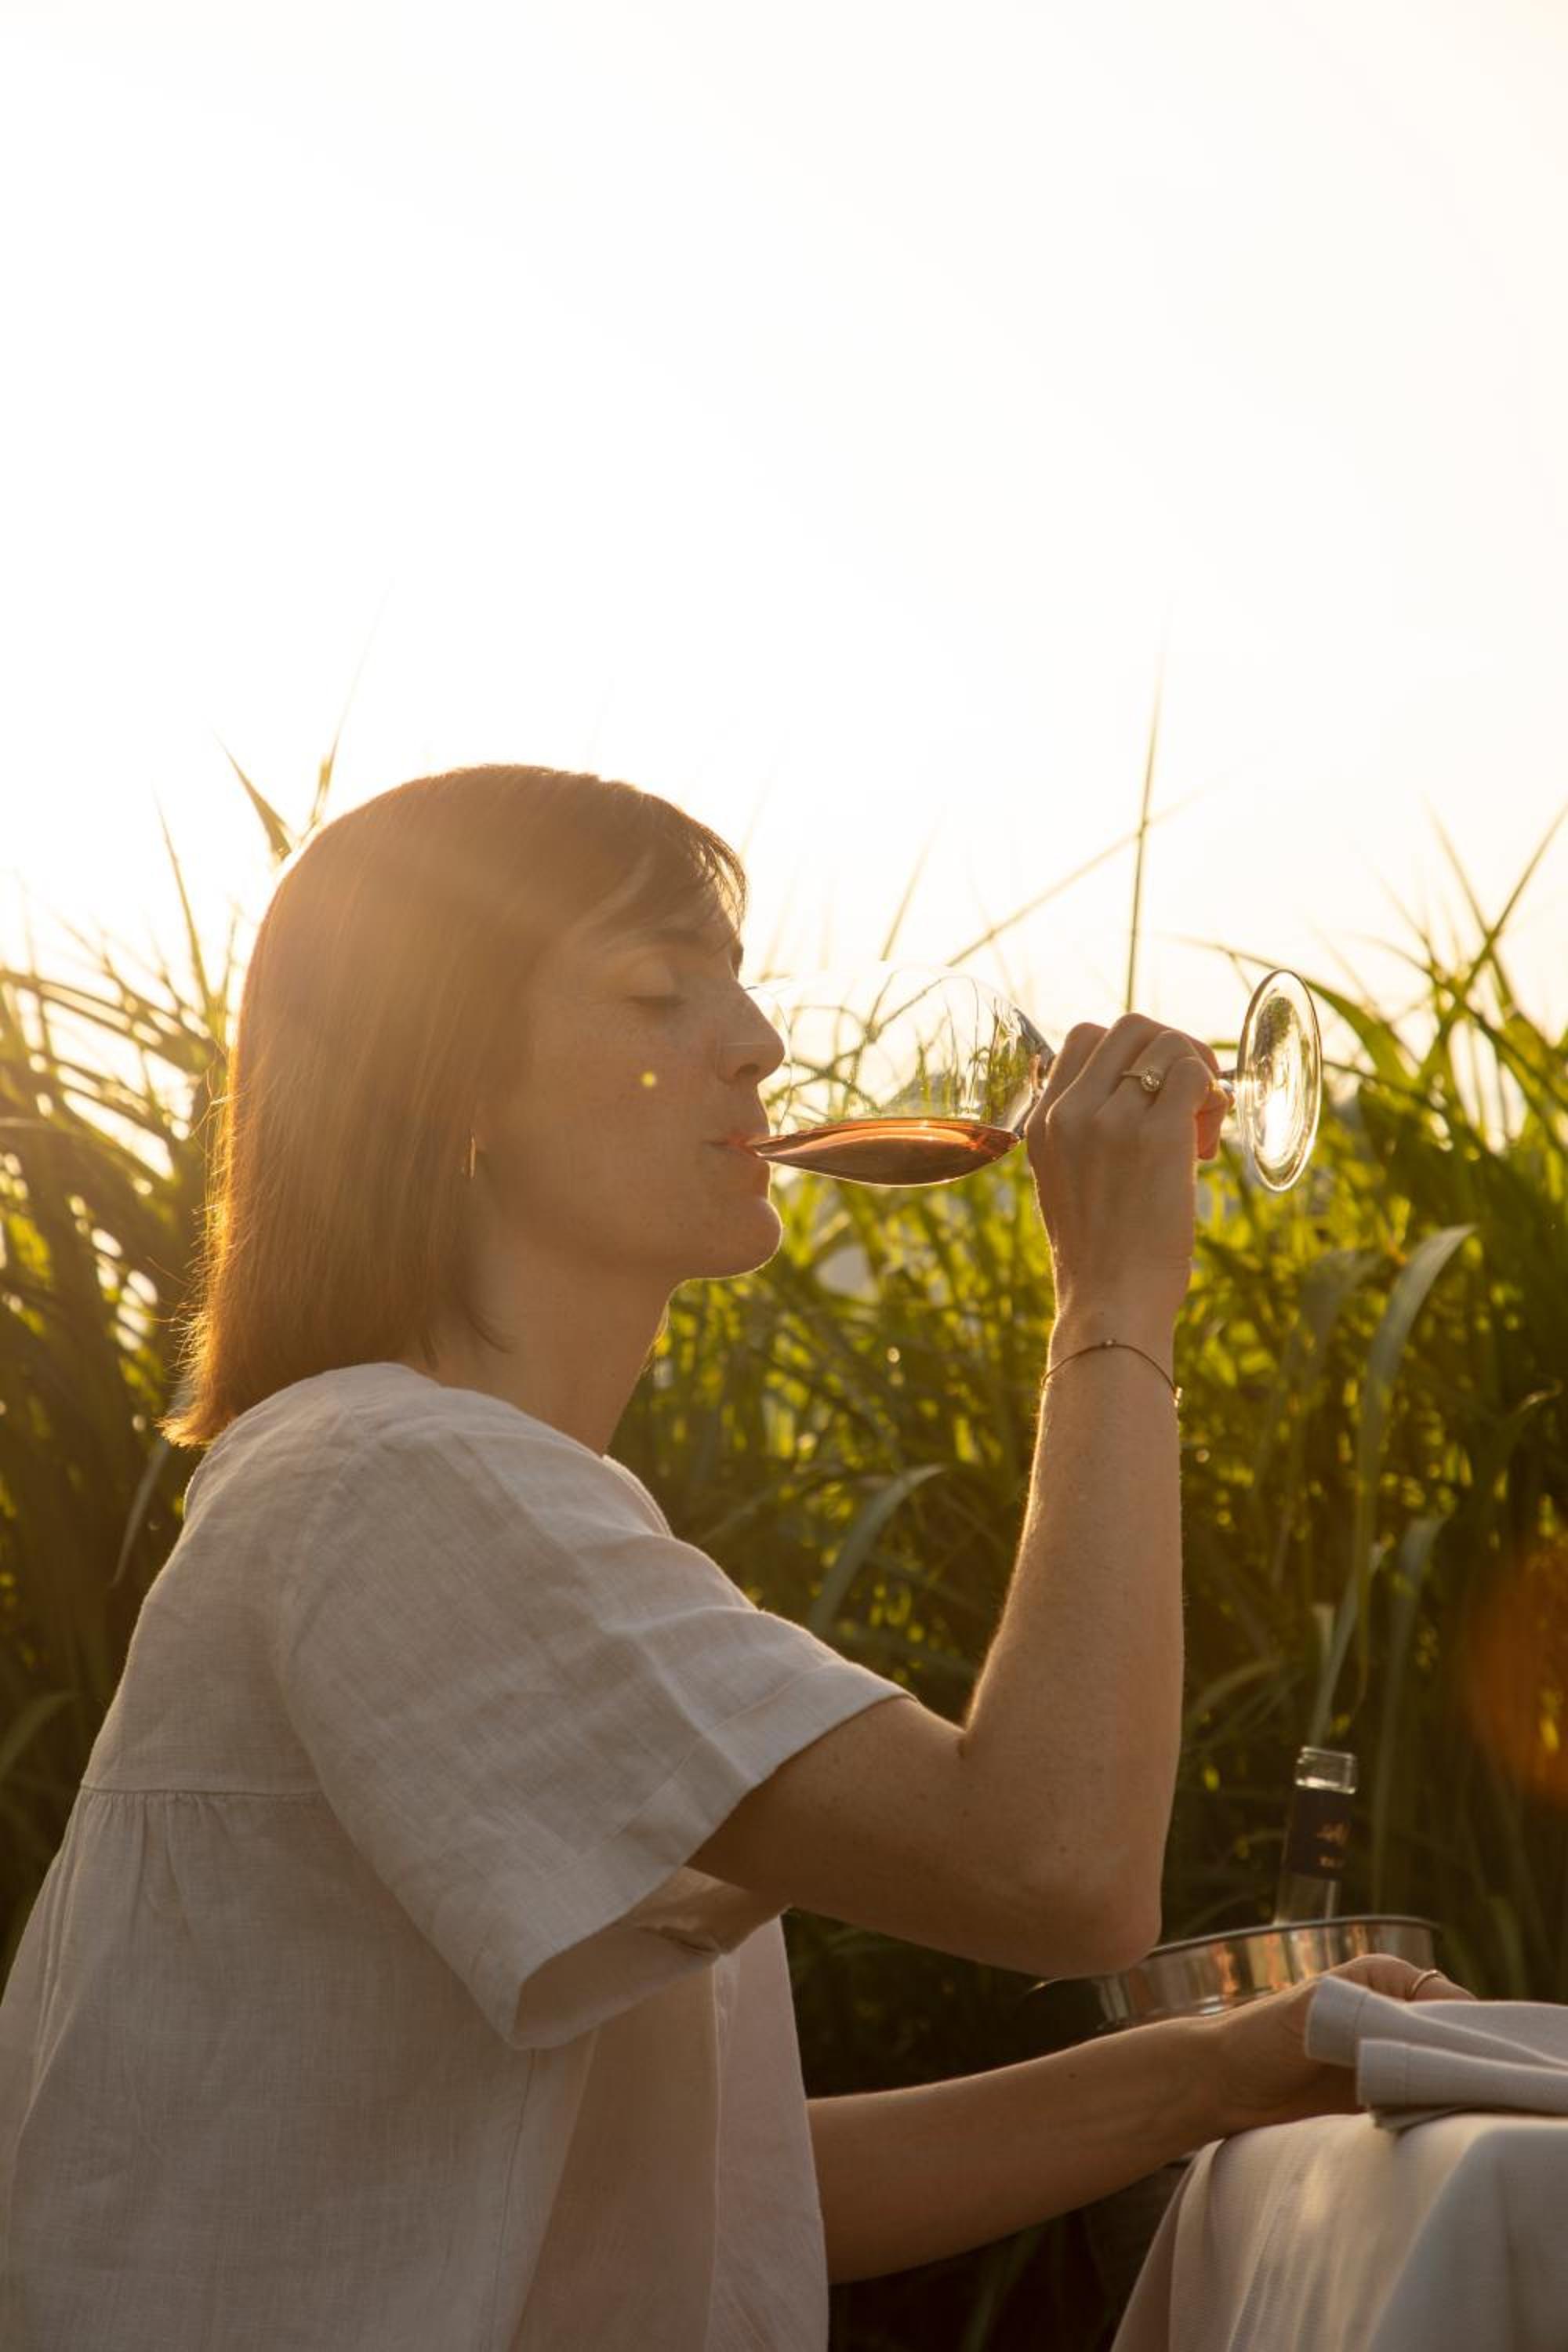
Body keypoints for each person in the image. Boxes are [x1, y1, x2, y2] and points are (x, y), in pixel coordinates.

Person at [0, 764, 1467, 2349]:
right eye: (658, 991)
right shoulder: (393, 1483)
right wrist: (1112, 1299)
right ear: (442, 1083)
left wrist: (1225, 2071)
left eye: (740, 983)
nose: (760, 1041)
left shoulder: (452, 1493)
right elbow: (1058, 1865)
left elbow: (713, 2199)